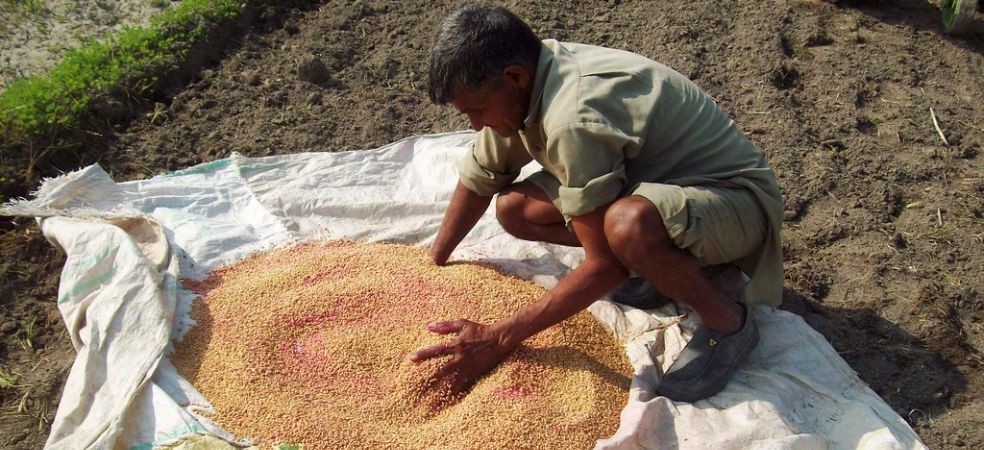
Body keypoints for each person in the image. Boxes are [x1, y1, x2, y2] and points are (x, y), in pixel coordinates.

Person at [408, 3, 784, 403]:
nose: (476, 124)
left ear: (513, 77)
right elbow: (479, 177)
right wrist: (434, 262)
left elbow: (603, 266)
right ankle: (656, 264)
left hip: (735, 203)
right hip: (660, 188)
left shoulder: (573, 117)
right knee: (514, 210)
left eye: (477, 110)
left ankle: (729, 324)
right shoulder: (530, 76)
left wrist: (499, 336)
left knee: (626, 229)